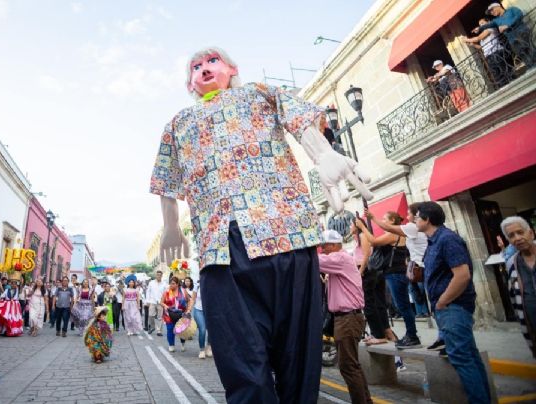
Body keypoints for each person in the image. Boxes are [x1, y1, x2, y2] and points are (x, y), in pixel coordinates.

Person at [150, 47, 375, 403]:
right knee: (242, 366)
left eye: (212, 61)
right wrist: (170, 227)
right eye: (196, 66)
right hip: (222, 253)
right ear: (189, 81)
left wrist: (324, 154)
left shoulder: (258, 93)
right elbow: (167, 181)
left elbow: (298, 119)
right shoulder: (178, 124)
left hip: (287, 236)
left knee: (298, 360)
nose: (204, 68)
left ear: (232, 69)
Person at [417, 202, 490, 403]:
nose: (413, 220)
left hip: (453, 307)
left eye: (416, 216)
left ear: (427, 219)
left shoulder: (447, 239)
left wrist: (442, 302)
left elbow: (462, 275)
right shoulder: (434, 241)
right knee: (469, 356)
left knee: (462, 358)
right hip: (448, 308)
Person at [318, 230, 372, 404]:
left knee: (348, 366)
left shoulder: (340, 258)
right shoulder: (341, 260)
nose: (322, 250)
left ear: (334, 245)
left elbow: (315, 261)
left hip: (348, 318)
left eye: (324, 246)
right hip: (347, 318)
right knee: (352, 365)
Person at [357, 212, 420, 349]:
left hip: (395, 273)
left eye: (385, 219)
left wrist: (363, 228)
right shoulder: (399, 234)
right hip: (398, 272)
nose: (383, 221)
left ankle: (412, 336)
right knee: (403, 305)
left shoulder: (393, 234)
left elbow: (373, 241)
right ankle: (410, 335)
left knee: (403, 306)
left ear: (392, 221)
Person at [502, 216, 536, 358]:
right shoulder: (511, 263)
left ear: (531, 233)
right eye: (511, 236)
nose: (517, 238)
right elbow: (514, 296)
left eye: (520, 232)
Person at [464, 18, 513, 89]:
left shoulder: (490, 28)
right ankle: (505, 89)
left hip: (496, 53)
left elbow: (478, 38)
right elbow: (482, 47)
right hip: (489, 56)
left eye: (483, 23)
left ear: (488, 22)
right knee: (498, 77)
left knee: (505, 72)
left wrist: (466, 39)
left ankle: (512, 86)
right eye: (480, 25)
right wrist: (473, 45)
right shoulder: (483, 34)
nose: (481, 26)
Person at [161, 276, 190, 352]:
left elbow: (189, 300)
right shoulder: (166, 292)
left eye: (173, 283)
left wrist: (188, 310)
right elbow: (161, 302)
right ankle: (171, 345)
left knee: (181, 330)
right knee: (170, 329)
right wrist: (165, 305)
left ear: (177, 284)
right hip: (169, 314)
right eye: (170, 284)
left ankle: (183, 343)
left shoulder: (183, 291)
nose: (171, 285)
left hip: (181, 314)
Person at [190, 282, 212, 359]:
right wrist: (188, 310)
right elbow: (193, 299)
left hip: (210, 311)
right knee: (202, 329)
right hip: (198, 310)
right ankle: (202, 350)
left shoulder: (213, 283)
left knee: (211, 330)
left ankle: (209, 347)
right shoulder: (197, 285)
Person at [146, 270, 167, 336]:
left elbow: (166, 293)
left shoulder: (164, 284)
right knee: (150, 315)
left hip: (160, 302)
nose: (158, 276)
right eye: (157, 275)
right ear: (156, 275)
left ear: (161, 276)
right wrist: (147, 301)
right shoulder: (151, 283)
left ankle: (159, 331)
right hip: (152, 301)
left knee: (160, 317)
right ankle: (152, 327)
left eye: (160, 275)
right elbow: (148, 292)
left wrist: (164, 302)